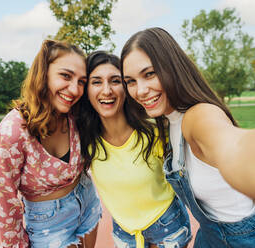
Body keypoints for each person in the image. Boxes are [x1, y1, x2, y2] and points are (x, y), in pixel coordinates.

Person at [120, 27, 255, 247]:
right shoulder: (170, 123)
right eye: (130, 81)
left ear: (172, 68)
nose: (140, 90)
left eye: (150, 74)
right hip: (209, 238)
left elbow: (236, 147)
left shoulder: (199, 116)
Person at [0, 40, 102, 248]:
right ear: (43, 73)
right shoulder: (11, 132)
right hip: (48, 225)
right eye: (65, 76)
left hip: (87, 202)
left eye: (81, 81)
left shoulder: (76, 114)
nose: (75, 89)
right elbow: (5, 205)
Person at [75, 51, 191, 248]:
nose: (106, 90)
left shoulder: (153, 130)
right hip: (125, 232)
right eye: (96, 82)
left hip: (168, 225)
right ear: (86, 90)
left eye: (115, 81)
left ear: (127, 87)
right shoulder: (85, 139)